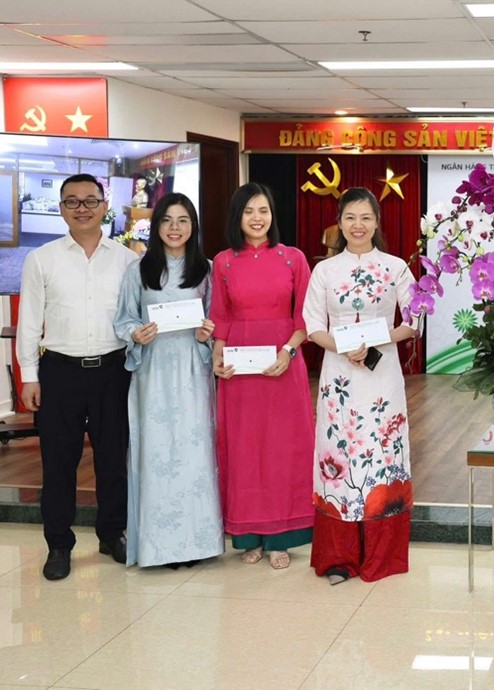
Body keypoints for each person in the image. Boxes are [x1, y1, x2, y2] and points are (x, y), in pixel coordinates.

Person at [16, 173, 138, 581]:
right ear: (61, 208)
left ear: (105, 206)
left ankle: (112, 533)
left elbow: (137, 318)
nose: (82, 208)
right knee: (58, 462)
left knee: (113, 460)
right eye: (72, 201)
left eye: (90, 200)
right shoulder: (42, 259)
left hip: (113, 370)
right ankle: (58, 544)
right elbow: (29, 321)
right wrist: (29, 376)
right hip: (60, 372)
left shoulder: (127, 260)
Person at [303, 187, 420, 584]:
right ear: (339, 222)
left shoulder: (395, 267)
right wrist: (344, 346)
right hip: (338, 377)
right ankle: (339, 556)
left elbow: (415, 319)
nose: (358, 225)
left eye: (366, 217)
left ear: (376, 222)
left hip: (382, 377)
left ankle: (381, 556)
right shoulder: (325, 271)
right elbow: (313, 325)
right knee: (338, 457)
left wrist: (375, 341)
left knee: (382, 455)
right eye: (350, 217)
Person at [113, 192, 223, 569]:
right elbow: (124, 319)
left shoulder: (207, 271)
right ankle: (158, 548)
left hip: (192, 369)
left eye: (183, 220)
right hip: (153, 370)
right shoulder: (138, 270)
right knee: (156, 452)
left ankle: (198, 544)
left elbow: (217, 318)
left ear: (194, 226)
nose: (175, 228)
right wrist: (136, 333)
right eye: (167, 220)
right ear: (156, 225)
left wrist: (208, 332)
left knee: (195, 451)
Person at [211, 182, 315, 570]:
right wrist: (217, 354)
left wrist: (289, 351)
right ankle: (248, 536)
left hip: (283, 364)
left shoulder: (293, 258)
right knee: (244, 450)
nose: (257, 218)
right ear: (237, 217)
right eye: (249, 211)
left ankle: (281, 537)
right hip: (239, 370)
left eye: (263, 210)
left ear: (273, 214)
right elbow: (220, 316)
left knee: (283, 449)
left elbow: (306, 316)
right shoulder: (223, 262)